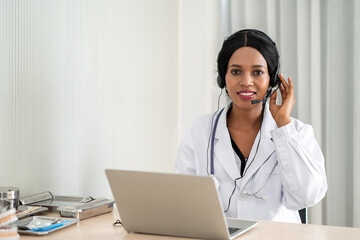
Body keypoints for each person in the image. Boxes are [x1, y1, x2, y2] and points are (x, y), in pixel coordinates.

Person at [174, 29, 327, 223]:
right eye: (236, 71)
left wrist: (283, 128)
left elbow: (307, 196)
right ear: (223, 77)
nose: (246, 81)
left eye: (257, 72)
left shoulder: (297, 132)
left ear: (272, 79)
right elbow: (182, 199)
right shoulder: (200, 130)